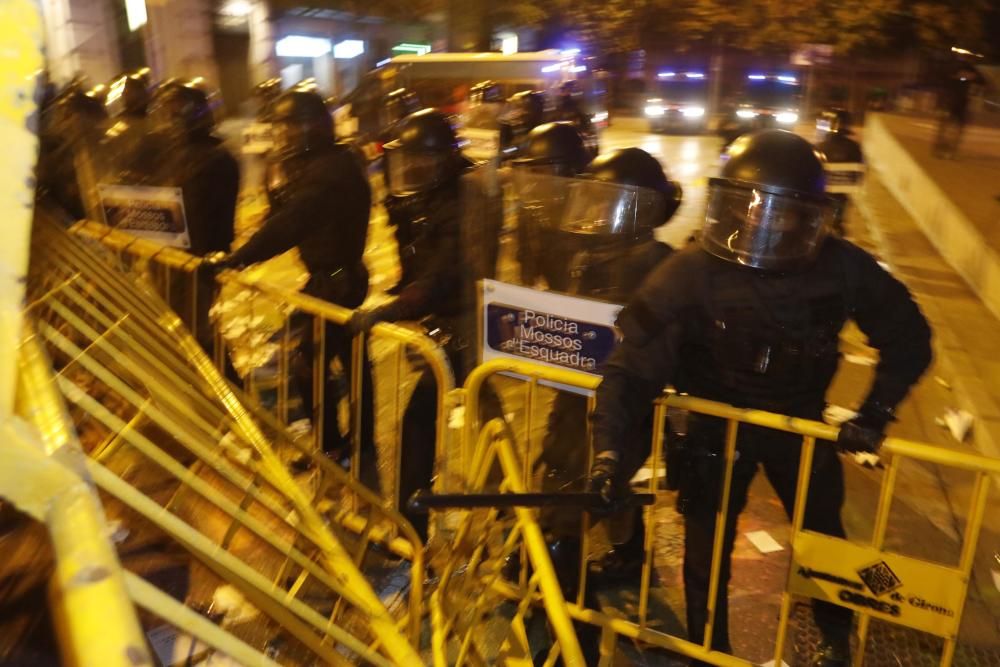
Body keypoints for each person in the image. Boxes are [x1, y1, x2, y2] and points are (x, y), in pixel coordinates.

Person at [588, 130, 932, 667]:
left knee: (823, 540)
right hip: (715, 426)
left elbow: (909, 336)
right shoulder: (690, 271)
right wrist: (610, 454)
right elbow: (631, 370)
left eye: (783, 214)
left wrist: (876, 411)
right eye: (749, 209)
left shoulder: (841, 267)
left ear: (813, 218)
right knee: (706, 547)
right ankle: (709, 648)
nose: (764, 224)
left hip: (801, 424)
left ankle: (835, 638)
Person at [205, 87, 376, 485]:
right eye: (280, 130)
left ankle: (337, 446)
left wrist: (239, 258)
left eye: (290, 129)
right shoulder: (320, 163)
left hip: (338, 281)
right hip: (331, 277)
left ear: (313, 128)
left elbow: (292, 222)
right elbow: (281, 213)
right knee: (349, 364)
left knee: (306, 362)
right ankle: (356, 442)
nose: (284, 138)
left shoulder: (329, 170)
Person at [529, 147, 682, 580]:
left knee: (580, 496)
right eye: (592, 198)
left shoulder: (655, 264)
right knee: (572, 470)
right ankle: (629, 556)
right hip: (578, 390)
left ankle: (571, 615)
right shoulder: (590, 252)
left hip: (623, 400)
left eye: (606, 200)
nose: (596, 210)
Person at [347, 109, 496, 539]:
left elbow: (443, 273)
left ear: (444, 160)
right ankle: (415, 522)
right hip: (450, 320)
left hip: (467, 323)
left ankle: (490, 509)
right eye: (407, 160)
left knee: (469, 422)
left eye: (422, 161)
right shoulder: (426, 199)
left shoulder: (461, 202)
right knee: (470, 420)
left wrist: (393, 309)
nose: (412, 169)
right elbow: (419, 266)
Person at [150, 79, 240, 353]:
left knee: (196, 333)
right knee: (181, 329)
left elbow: (211, 215)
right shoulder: (169, 153)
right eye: (165, 110)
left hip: (195, 260)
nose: (170, 118)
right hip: (168, 256)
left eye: (177, 109)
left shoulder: (215, 157)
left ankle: (227, 388)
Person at [511, 122, 592, 290]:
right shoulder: (532, 215)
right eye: (530, 174)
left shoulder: (593, 216)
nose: (532, 185)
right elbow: (527, 278)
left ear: (569, 173)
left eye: (541, 174)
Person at [815, 109, 863, 236]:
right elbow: (859, 171)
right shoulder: (854, 147)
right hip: (842, 192)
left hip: (823, 192)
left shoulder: (820, 146)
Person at [934, 59, 987, 159]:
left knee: (956, 128)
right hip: (950, 102)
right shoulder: (952, 68)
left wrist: (968, 78)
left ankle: (950, 150)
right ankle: (941, 148)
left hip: (961, 103)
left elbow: (982, 81)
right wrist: (961, 77)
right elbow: (942, 77)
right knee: (946, 127)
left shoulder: (970, 69)